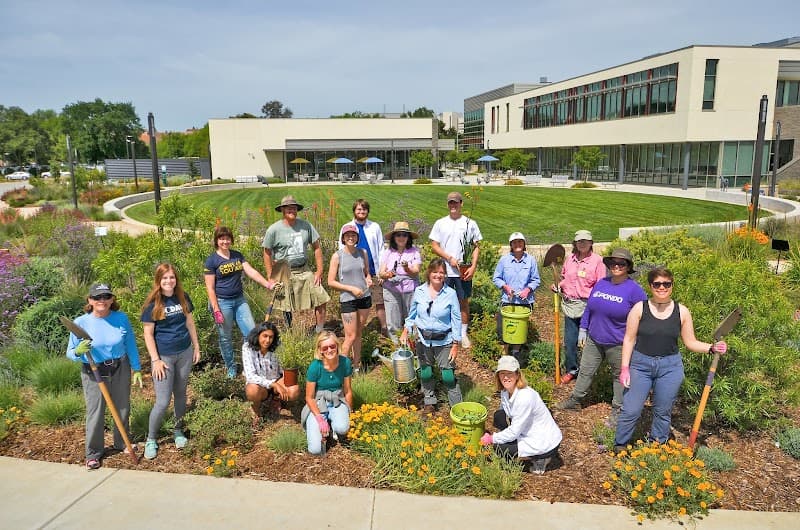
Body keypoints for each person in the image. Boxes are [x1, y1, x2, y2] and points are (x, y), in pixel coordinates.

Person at [613, 268, 727, 451]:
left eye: (666, 284)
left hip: (670, 367)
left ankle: (657, 447)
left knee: (662, 411)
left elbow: (690, 342)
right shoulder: (639, 308)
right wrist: (625, 367)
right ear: (651, 286)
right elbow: (629, 339)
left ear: (672, 286)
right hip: (640, 365)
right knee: (631, 409)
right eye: (657, 284)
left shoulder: (681, 312)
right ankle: (620, 445)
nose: (662, 287)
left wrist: (712, 348)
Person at [555, 249, 646, 424]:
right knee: (586, 370)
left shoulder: (634, 290)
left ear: (628, 267)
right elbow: (589, 307)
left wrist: (637, 338)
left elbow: (643, 314)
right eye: (613, 263)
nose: (617, 266)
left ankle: (618, 410)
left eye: (622, 263)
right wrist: (583, 328)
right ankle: (575, 400)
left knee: (619, 377)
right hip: (594, 339)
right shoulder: (602, 283)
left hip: (619, 343)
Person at [66, 283, 142, 470]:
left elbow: (130, 343)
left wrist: (137, 368)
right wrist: (78, 351)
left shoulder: (121, 318)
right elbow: (69, 353)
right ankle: (93, 453)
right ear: (90, 300)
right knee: (96, 412)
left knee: (123, 407)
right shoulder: (81, 323)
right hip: (93, 371)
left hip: (119, 367)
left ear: (112, 299)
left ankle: (121, 443)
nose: (102, 301)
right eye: (97, 297)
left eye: (106, 297)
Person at [140, 264, 201, 460]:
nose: (169, 281)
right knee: (163, 401)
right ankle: (151, 438)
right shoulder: (152, 304)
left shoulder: (182, 297)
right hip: (164, 358)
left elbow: (189, 323)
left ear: (176, 279)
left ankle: (178, 431)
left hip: (184, 352)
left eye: (172, 277)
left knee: (181, 394)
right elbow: (148, 334)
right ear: (158, 281)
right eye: (164, 278)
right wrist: (155, 360)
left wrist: (196, 347)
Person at [204, 225, 275, 379]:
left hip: (239, 300)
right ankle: (231, 367)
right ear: (216, 241)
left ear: (231, 240)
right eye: (222, 238)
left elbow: (251, 271)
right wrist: (216, 310)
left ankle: (249, 365)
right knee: (225, 336)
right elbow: (210, 288)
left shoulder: (237, 255)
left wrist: (267, 284)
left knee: (251, 333)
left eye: (227, 238)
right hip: (222, 303)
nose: (225, 241)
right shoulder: (212, 261)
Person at [400, 258, 463, 412]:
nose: (438, 275)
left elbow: (456, 319)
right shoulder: (419, 291)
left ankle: (457, 406)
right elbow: (412, 314)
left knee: (448, 375)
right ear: (429, 273)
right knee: (426, 372)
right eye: (435, 272)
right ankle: (430, 401)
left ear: (445, 275)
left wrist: (456, 344)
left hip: (444, 341)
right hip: (423, 339)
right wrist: (406, 330)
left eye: (442, 272)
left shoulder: (450, 293)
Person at [480, 356, 562, 473]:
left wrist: (493, 438)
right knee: (499, 416)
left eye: (510, 373)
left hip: (545, 441)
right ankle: (516, 447)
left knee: (499, 448)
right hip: (529, 430)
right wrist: (501, 436)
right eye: (502, 373)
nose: (506, 377)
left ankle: (541, 458)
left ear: (518, 375)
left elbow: (514, 432)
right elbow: (505, 412)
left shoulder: (525, 397)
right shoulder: (505, 391)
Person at [262, 195, 330, 330]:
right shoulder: (274, 230)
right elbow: (267, 252)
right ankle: (290, 331)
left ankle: (319, 330)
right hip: (284, 271)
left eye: (293, 208)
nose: (291, 210)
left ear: (297, 210)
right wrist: (270, 276)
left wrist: (319, 271)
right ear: (282, 210)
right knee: (286, 305)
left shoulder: (306, 226)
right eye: (288, 208)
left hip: (304, 269)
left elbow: (317, 247)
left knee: (321, 298)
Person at [430, 191, 482, 348]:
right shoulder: (440, 223)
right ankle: (444, 331)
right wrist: (449, 258)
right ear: (447, 205)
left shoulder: (470, 223)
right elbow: (434, 246)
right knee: (441, 302)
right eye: (450, 202)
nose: (453, 205)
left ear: (461, 204)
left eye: (456, 202)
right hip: (444, 272)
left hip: (463, 272)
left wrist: (473, 267)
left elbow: (476, 246)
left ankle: (462, 334)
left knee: (463, 302)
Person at [556, 229, 606, 384]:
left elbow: (601, 284)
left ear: (591, 243)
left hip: (589, 306)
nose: (582, 244)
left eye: (585, 241)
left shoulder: (597, 261)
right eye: (579, 241)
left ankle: (590, 372)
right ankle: (572, 369)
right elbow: (564, 278)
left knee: (590, 342)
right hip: (571, 305)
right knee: (570, 341)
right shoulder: (570, 259)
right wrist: (559, 286)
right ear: (575, 243)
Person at [338, 199, 388, 336]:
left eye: (364, 209)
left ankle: (384, 328)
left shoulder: (374, 227)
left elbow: (381, 249)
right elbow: (341, 250)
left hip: (373, 271)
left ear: (368, 211)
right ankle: (352, 329)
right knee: (353, 300)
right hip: (354, 274)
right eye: (359, 209)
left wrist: (381, 272)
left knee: (379, 300)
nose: (362, 212)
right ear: (354, 211)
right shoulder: (347, 227)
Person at [327, 224, 372, 369]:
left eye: (353, 235)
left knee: (358, 332)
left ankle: (356, 365)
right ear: (343, 238)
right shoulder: (337, 256)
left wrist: (368, 279)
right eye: (348, 236)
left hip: (364, 297)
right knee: (350, 336)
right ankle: (338, 367)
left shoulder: (362, 252)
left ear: (357, 237)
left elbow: (366, 272)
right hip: (348, 300)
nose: (350, 238)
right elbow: (331, 282)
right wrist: (350, 288)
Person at [302, 331, 353, 455]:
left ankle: (333, 427)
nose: (329, 350)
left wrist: (352, 414)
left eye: (332, 346)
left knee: (343, 428)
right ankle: (323, 427)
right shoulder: (315, 366)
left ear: (337, 346)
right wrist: (319, 419)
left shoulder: (345, 363)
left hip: (337, 399)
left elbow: (347, 390)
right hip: (319, 401)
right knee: (315, 450)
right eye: (325, 348)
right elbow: (309, 397)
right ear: (320, 350)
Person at [242, 321, 300, 428]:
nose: (268, 340)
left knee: (294, 390)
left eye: (271, 337)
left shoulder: (278, 348)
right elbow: (250, 376)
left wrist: (281, 382)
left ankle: (276, 399)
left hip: (276, 382)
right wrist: (273, 384)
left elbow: (283, 370)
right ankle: (256, 411)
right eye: (265, 336)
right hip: (260, 386)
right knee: (252, 390)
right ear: (258, 335)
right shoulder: (247, 348)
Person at [492, 232, 540, 355]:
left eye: (520, 242)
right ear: (511, 245)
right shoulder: (504, 260)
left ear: (524, 244)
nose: (517, 244)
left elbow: (536, 280)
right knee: (506, 328)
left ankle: (516, 352)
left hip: (524, 302)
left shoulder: (530, 260)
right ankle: (505, 353)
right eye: (514, 242)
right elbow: (496, 278)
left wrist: (528, 289)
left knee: (518, 330)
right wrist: (505, 286)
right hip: (508, 301)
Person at [379, 221, 422, 342]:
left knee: (412, 319)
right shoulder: (388, 252)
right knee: (393, 321)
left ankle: (412, 347)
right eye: (398, 235)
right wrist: (386, 274)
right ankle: (396, 349)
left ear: (408, 238)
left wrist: (407, 268)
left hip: (410, 290)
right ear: (394, 237)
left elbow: (416, 271)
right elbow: (381, 272)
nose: (401, 237)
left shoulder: (414, 252)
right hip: (391, 290)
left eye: (404, 235)